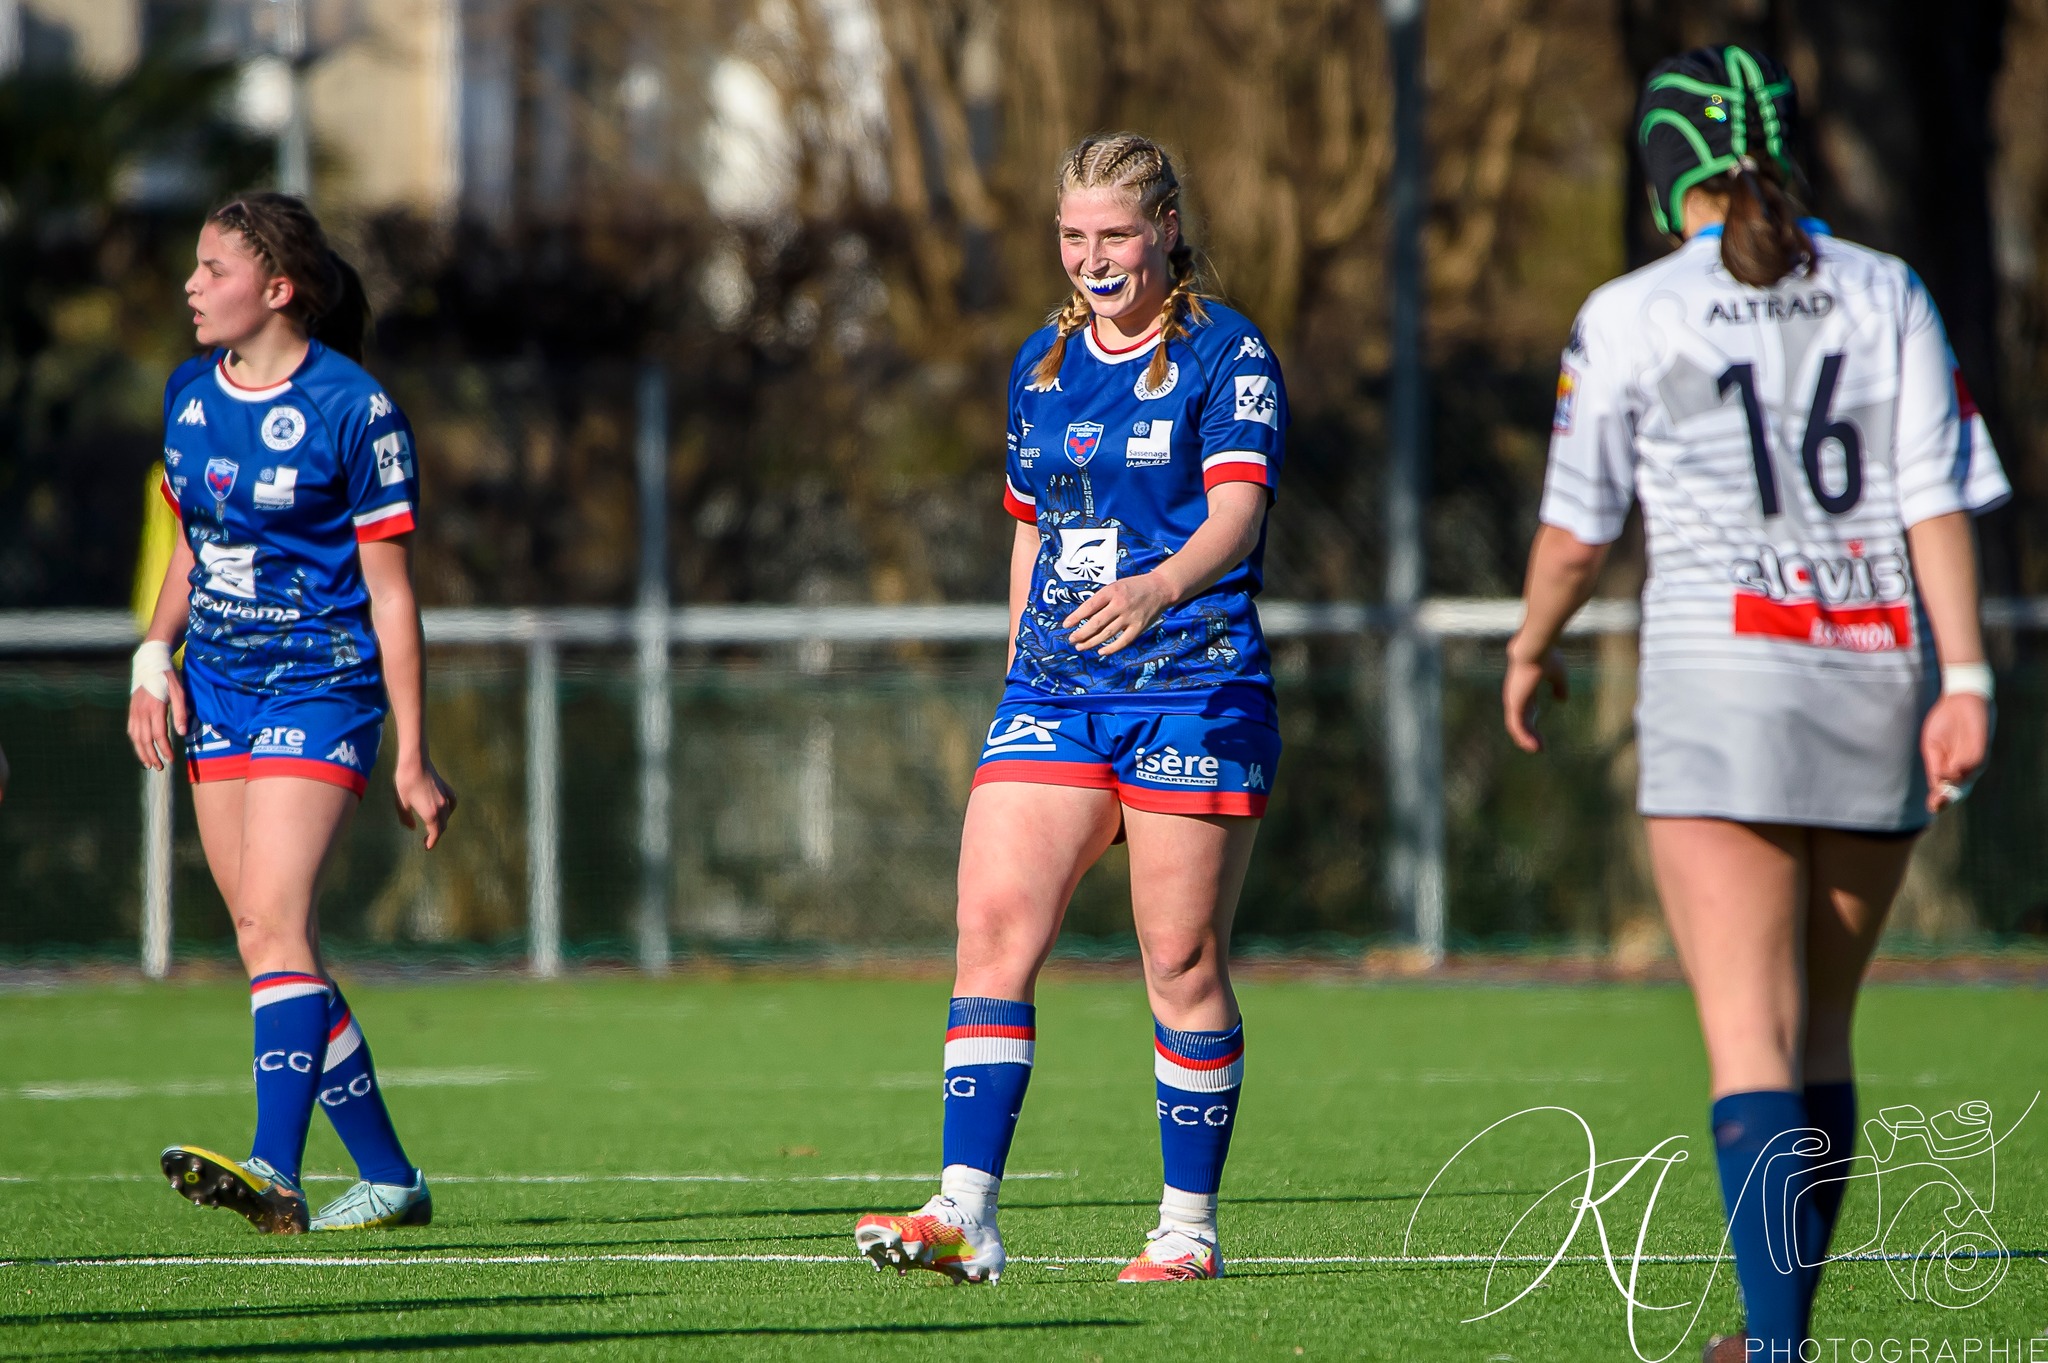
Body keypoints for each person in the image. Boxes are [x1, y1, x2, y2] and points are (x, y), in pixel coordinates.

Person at [1503, 47, 2006, 1362]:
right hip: (1877, 673)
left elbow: (1574, 531)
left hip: (1723, 682)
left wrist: (1529, 644)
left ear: (1666, 172)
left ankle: (1775, 1348)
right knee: (1824, 1028)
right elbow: (1933, 495)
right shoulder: (1888, 290)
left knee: (1748, 1037)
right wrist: (1966, 677)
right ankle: (1773, 1328)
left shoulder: (1633, 309)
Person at [853, 134, 1287, 1285]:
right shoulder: (1040, 362)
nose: (1093, 259)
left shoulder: (1224, 353)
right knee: (991, 930)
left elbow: (1235, 514)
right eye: (1073, 237)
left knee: (1179, 956)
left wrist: (1153, 587)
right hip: (1054, 693)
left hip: (1191, 685)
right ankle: (962, 1209)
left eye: (1116, 235)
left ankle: (1184, 1229)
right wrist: (1017, 662)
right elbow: (1029, 526)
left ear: (1167, 233)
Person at [129, 192, 456, 1234]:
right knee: (271, 937)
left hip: (322, 685)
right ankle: (392, 1177)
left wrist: (413, 752)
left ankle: (275, 1164)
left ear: (277, 289)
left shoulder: (355, 411)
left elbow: (393, 591)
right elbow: (192, 540)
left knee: (276, 923)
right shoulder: (188, 394)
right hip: (217, 686)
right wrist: (152, 654)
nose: (191, 285)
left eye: (212, 268)